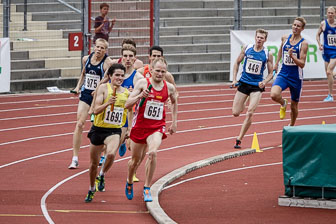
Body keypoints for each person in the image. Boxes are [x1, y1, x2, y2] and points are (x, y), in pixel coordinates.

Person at [124, 58, 178, 202]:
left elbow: (174, 101)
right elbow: (127, 104)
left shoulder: (169, 87)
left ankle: (147, 187)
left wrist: (174, 122)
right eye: (158, 71)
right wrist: (139, 96)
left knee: (152, 153)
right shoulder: (143, 83)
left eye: (163, 71)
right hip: (140, 126)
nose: (160, 74)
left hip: (157, 127)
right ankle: (129, 181)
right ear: (151, 70)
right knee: (134, 161)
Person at [84, 63, 130, 202]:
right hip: (98, 129)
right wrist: (107, 102)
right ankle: (92, 188)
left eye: (122, 75)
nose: (120, 78)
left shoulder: (126, 93)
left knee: (110, 154)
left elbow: (131, 110)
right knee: (93, 165)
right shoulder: (103, 88)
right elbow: (96, 110)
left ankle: (102, 174)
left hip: (114, 130)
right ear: (110, 76)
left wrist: (129, 128)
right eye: (117, 75)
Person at [68, 38, 113, 169]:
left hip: (99, 97)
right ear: (94, 47)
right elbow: (83, 74)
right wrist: (77, 87)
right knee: (79, 123)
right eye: (97, 47)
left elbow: (107, 78)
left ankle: (102, 154)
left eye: (102, 48)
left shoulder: (107, 63)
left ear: (106, 50)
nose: (98, 50)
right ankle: (75, 158)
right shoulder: (86, 59)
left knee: (98, 127)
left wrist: (98, 88)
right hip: (86, 95)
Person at [231, 29, 274, 149]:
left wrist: (264, 82)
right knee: (235, 113)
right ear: (255, 37)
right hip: (243, 83)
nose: (259, 39)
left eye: (262, 38)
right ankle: (244, 101)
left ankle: (239, 138)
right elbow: (237, 63)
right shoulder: (247, 48)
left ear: (265, 40)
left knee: (250, 112)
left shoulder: (267, 54)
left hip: (256, 86)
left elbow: (272, 73)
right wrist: (234, 79)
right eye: (258, 37)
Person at [271, 17, 308, 126]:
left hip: (296, 76)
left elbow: (302, 64)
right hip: (283, 73)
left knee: (294, 105)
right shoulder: (285, 38)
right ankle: (283, 103)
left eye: (298, 26)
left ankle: (291, 125)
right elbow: (280, 50)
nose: (295, 27)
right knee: (274, 94)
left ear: (302, 29)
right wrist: (277, 63)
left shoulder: (303, 43)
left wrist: (292, 56)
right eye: (294, 25)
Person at [316, 6, 336, 102]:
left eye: (332, 13)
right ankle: (330, 94)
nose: (330, 14)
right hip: (326, 51)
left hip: (335, 52)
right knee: (328, 74)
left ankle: (330, 95)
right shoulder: (323, 24)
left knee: (329, 71)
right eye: (329, 12)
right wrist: (319, 44)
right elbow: (317, 34)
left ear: (335, 14)